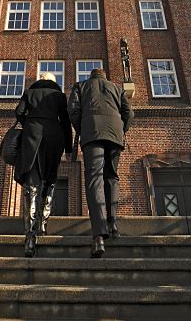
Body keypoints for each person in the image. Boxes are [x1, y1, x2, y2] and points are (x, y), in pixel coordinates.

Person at [68, 68, 133, 258]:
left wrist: (82, 128)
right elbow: (128, 113)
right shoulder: (116, 88)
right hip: (115, 135)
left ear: (91, 76)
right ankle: (113, 223)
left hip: (92, 134)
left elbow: (73, 110)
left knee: (94, 180)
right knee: (112, 177)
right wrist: (122, 130)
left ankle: (99, 236)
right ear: (105, 76)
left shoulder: (81, 86)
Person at [14, 72, 72, 257]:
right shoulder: (59, 96)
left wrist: (30, 123)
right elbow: (65, 121)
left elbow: (19, 112)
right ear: (54, 83)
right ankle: (43, 224)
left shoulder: (29, 93)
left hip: (32, 135)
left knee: (31, 183)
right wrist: (69, 148)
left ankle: (29, 233)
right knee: (50, 179)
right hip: (54, 137)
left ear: (40, 80)